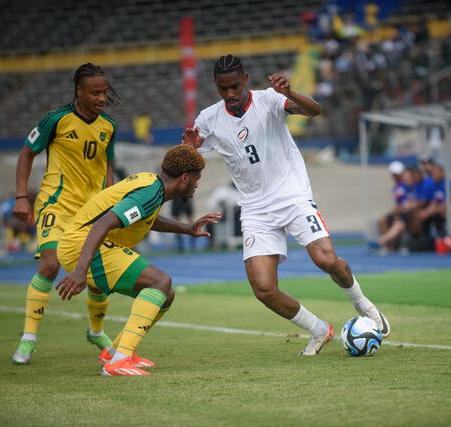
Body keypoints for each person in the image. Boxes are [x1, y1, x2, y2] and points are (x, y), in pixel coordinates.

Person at [182, 54, 389, 356]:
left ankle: (364, 306)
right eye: (223, 89)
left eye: (235, 87)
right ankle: (319, 330)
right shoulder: (208, 119)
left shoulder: (269, 100)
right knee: (264, 289)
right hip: (254, 208)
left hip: (292, 195)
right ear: (216, 87)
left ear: (246, 81)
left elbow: (314, 111)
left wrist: (289, 93)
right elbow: (189, 157)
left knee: (326, 260)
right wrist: (189, 150)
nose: (230, 94)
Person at [55, 145, 220, 376]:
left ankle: (113, 353)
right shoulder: (149, 192)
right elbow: (102, 224)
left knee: (165, 295)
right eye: (196, 178)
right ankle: (118, 363)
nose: (197, 183)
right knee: (160, 281)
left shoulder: (153, 187)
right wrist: (80, 271)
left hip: (89, 243)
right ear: (184, 177)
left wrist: (186, 228)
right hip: (81, 245)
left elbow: (146, 217)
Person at [11, 63, 120, 365]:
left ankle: (96, 332)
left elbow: (107, 166)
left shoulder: (108, 126)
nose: (101, 97)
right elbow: (26, 154)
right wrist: (21, 196)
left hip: (93, 211)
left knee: (98, 275)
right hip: (56, 205)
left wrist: (113, 204)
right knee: (50, 263)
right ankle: (28, 338)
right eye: (95, 92)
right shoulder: (55, 120)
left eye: (104, 92)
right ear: (79, 91)